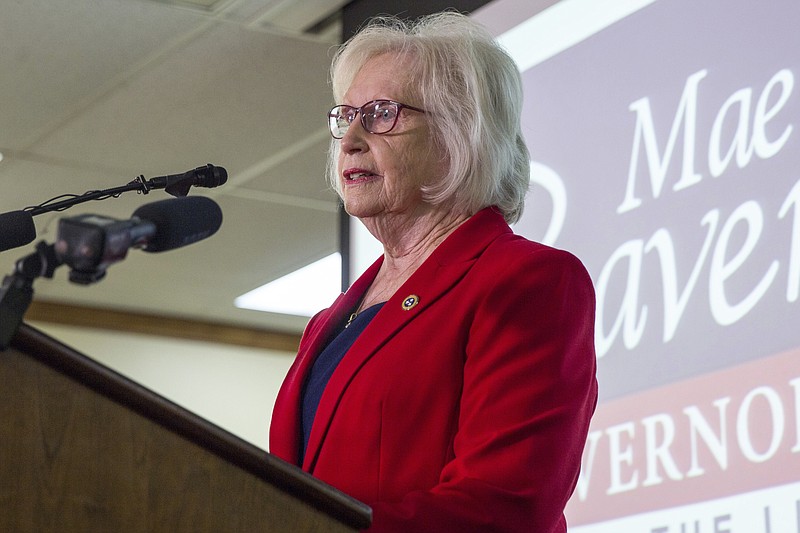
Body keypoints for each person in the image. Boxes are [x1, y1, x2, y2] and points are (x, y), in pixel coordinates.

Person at [269, 11, 597, 533]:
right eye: (345, 116)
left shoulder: (528, 281)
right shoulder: (328, 320)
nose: (349, 139)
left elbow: (503, 505)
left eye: (380, 114)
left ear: (458, 135)